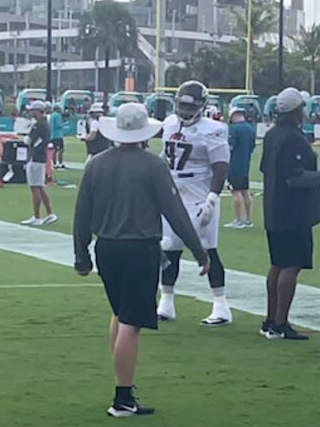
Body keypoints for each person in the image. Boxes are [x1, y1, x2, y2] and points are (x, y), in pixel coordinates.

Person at [73, 102, 210, 418]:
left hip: (106, 248)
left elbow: (82, 214)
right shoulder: (152, 165)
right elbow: (174, 212)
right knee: (132, 322)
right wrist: (199, 251)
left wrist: (81, 254)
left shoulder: (96, 164)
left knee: (120, 315)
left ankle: (123, 385)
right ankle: (122, 397)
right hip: (140, 249)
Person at [260, 87, 320, 340]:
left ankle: (271, 319)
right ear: (297, 110)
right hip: (292, 211)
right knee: (290, 266)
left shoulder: (272, 135)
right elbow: (295, 178)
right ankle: (281, 322)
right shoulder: (292, 138)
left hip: (274, 208)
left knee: (277, 264)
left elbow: (265, 169)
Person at [155, 81, 232, 326]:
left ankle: (221, 306)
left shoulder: (213, 129)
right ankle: (166, 303)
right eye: (182, 105)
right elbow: (165, 156)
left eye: (191, 107)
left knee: (207, 248)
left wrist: (212, 198)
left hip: (199, 192)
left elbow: (220, 167)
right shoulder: (168, 123)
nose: (186, 111)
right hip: (173, 190)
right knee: (169, 248)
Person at [20, 101, 57, 227]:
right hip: (40, 157)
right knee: (40, 187)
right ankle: (49, 213)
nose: (30, 112)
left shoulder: (39, 125)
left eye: (32, 110)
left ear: (37, 111)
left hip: (35, 157)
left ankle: (37, 216)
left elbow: (28, 140)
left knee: (35, 187)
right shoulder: (44, 123)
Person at [224, 106, 257, 229]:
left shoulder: (233, 129)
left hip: (234, 165)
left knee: (236, 192)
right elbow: (252, 147)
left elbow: (229, 147)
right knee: (245, 192)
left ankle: (239, 220)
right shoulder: (250, 129)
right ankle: (248, 219)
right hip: (245, 164)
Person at [49, 104, 66, 169]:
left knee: (54, 150)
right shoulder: (58, 115)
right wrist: (64, 124)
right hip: (58, 135)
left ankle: (54, 163)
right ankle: (60, 163)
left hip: (52, 135)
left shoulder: (52, 115)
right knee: (61, 150)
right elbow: (58, 125)